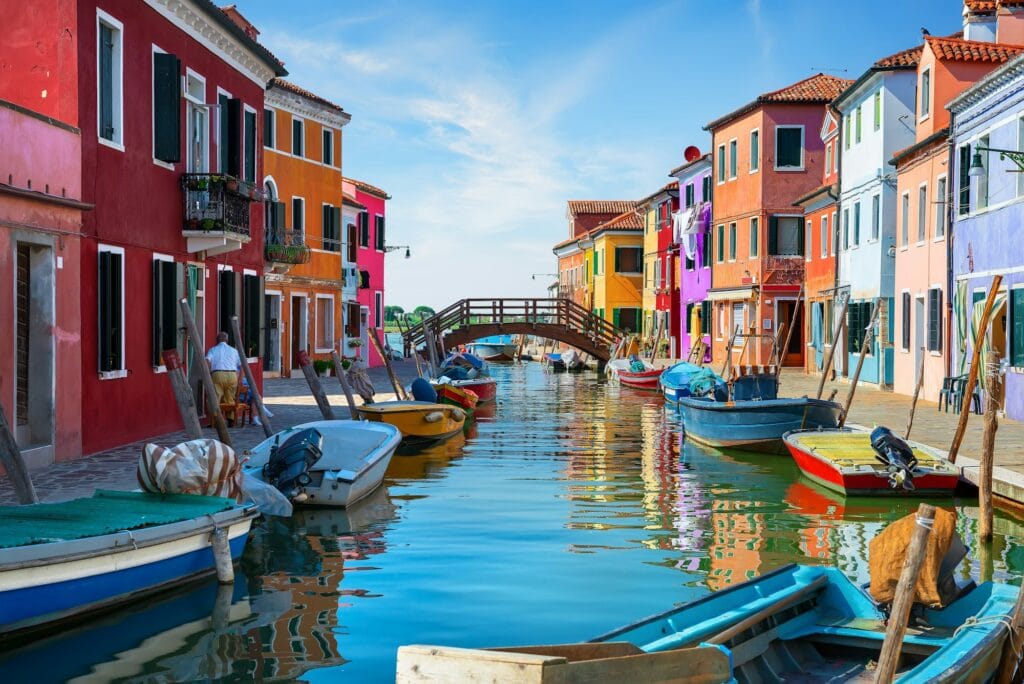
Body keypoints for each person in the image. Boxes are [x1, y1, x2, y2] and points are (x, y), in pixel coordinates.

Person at [206, 332, 242, 426]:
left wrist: (208, 374)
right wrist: (240, 378)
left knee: (216, 397)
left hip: (218, 374)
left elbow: (207, 361)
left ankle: (215, 420)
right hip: (232, 374)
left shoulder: (213, 350)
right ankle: (230, 420)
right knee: (230, 398)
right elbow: (241, 365)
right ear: (227, 340)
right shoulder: (234, 350)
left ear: (217, 340)